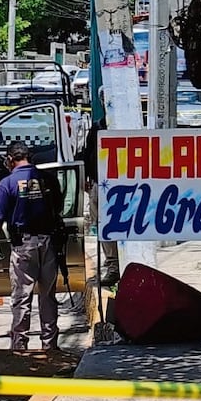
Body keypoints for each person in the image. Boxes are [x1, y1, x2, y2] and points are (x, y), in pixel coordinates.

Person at [0, 141, 65, 350]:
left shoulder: (7, 183)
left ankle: (19, 348)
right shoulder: (47, 178)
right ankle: (50, 346)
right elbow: (59, 207)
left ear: (11, 160)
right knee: (48, 296)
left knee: (21, 297)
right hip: (48, 243)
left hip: (23, 246)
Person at [79, 116, 120, 286]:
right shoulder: (98, 127)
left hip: (122, 185)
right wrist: (87, 177)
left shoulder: (127, 124)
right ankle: (113, 265)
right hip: (100, 183)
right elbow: (88, 153)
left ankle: (116, 266)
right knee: (104, 227)